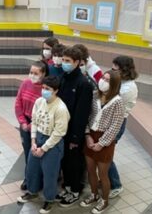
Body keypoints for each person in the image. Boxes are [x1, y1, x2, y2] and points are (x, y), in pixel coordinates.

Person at [17, 76, 70, 214]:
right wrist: (34, 141)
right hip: (38, 137)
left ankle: (49, 200)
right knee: (32, 169)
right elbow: (34, 121)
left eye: (48, 89)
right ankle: (32, 191)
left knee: (50, 174)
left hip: (53, 143)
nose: (44, 91)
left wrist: (44, 148)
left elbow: (59, 133)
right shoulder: (39, 101)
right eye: (43, 88)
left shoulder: (61, 108)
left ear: (56, 91)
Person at [80, 70, 124, 214]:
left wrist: (101, 143)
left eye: (107, 80)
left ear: (114, 84)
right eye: (103, 78)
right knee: (91, 170)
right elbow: (86, 116)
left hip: (105, 140)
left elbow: (115, 126)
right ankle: (93, 194)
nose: (103, 81)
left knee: (103, 174)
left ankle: (104, 201)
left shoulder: (118, 102)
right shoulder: (94, 95)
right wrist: (87, 136)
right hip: (91, 136)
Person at [56, 46, 94, 208]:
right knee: (65, 161)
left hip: (73, 132)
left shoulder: (83, 84)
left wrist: (76, 137)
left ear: (77, 62)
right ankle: (68, 187)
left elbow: (81, 114)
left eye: (67, 61)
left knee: (74, 163)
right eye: (63, 60)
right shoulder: (65, 77)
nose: (64, 63)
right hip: (61, 128)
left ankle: (75, 191)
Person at [15, 61, 48, 191]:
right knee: (27, 150)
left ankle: (37, 179)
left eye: (36, 73)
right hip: (24, 123)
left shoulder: (45, 90)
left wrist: (31, 126)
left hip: (37, 126)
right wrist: (23, 122)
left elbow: (44, 112)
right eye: (31, 72)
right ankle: (28, 178)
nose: (32, 75)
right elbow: (18, 103)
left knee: (36, 153)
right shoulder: (25, 83)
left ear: (43, 74)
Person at [108, 55, 139, 198]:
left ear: (125, 70)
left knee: (105, 156)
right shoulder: (121, 81)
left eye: (116, 69)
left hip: (117, 123)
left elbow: (111, 101)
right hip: (111, 120)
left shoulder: (129, 88)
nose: (112, 72)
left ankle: (116, 185)